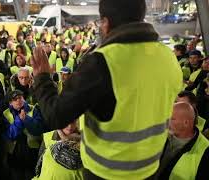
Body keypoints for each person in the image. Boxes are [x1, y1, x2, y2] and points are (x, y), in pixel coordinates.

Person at [31, 0, 183, 179]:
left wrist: (42, 78)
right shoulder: (168, 58)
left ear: (105, 22)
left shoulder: (102, 62)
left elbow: (56, 115)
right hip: (149, 168)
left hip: (106, 172)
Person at [156, 102, 209, 179]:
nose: (166, 122)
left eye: (172, 119)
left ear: (186, 123)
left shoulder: (205, 151)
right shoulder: (161, 134)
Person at [3, 90, 44, 180]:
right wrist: (20, 120)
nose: (18, 100)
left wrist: (26, 119)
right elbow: (9, 134)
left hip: (32, 149)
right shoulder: (5, 113)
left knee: (32, 175)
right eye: (15, 99)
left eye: (20, 98)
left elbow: (38, 129)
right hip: (15, 151)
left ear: (24, 99)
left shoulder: (33, 109)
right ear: (10, 103)